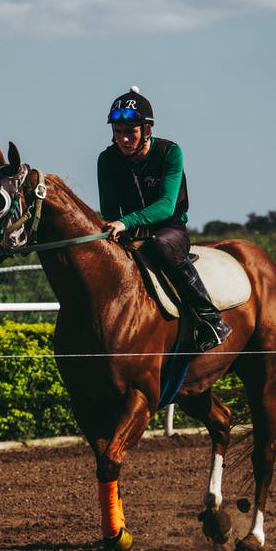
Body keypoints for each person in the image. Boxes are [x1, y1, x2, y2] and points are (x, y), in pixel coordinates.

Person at [98, 86, 232, 352]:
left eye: (130, 132)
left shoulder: (171, 152)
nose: (123, 139)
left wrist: (127, 222)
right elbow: (110, 210)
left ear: (146, 130)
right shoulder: (106, 160)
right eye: (118, 132)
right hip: (131, 234)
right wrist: (119, 227)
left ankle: (211, 319)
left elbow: (166, 207)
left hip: (170, 231)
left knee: (160, 242)